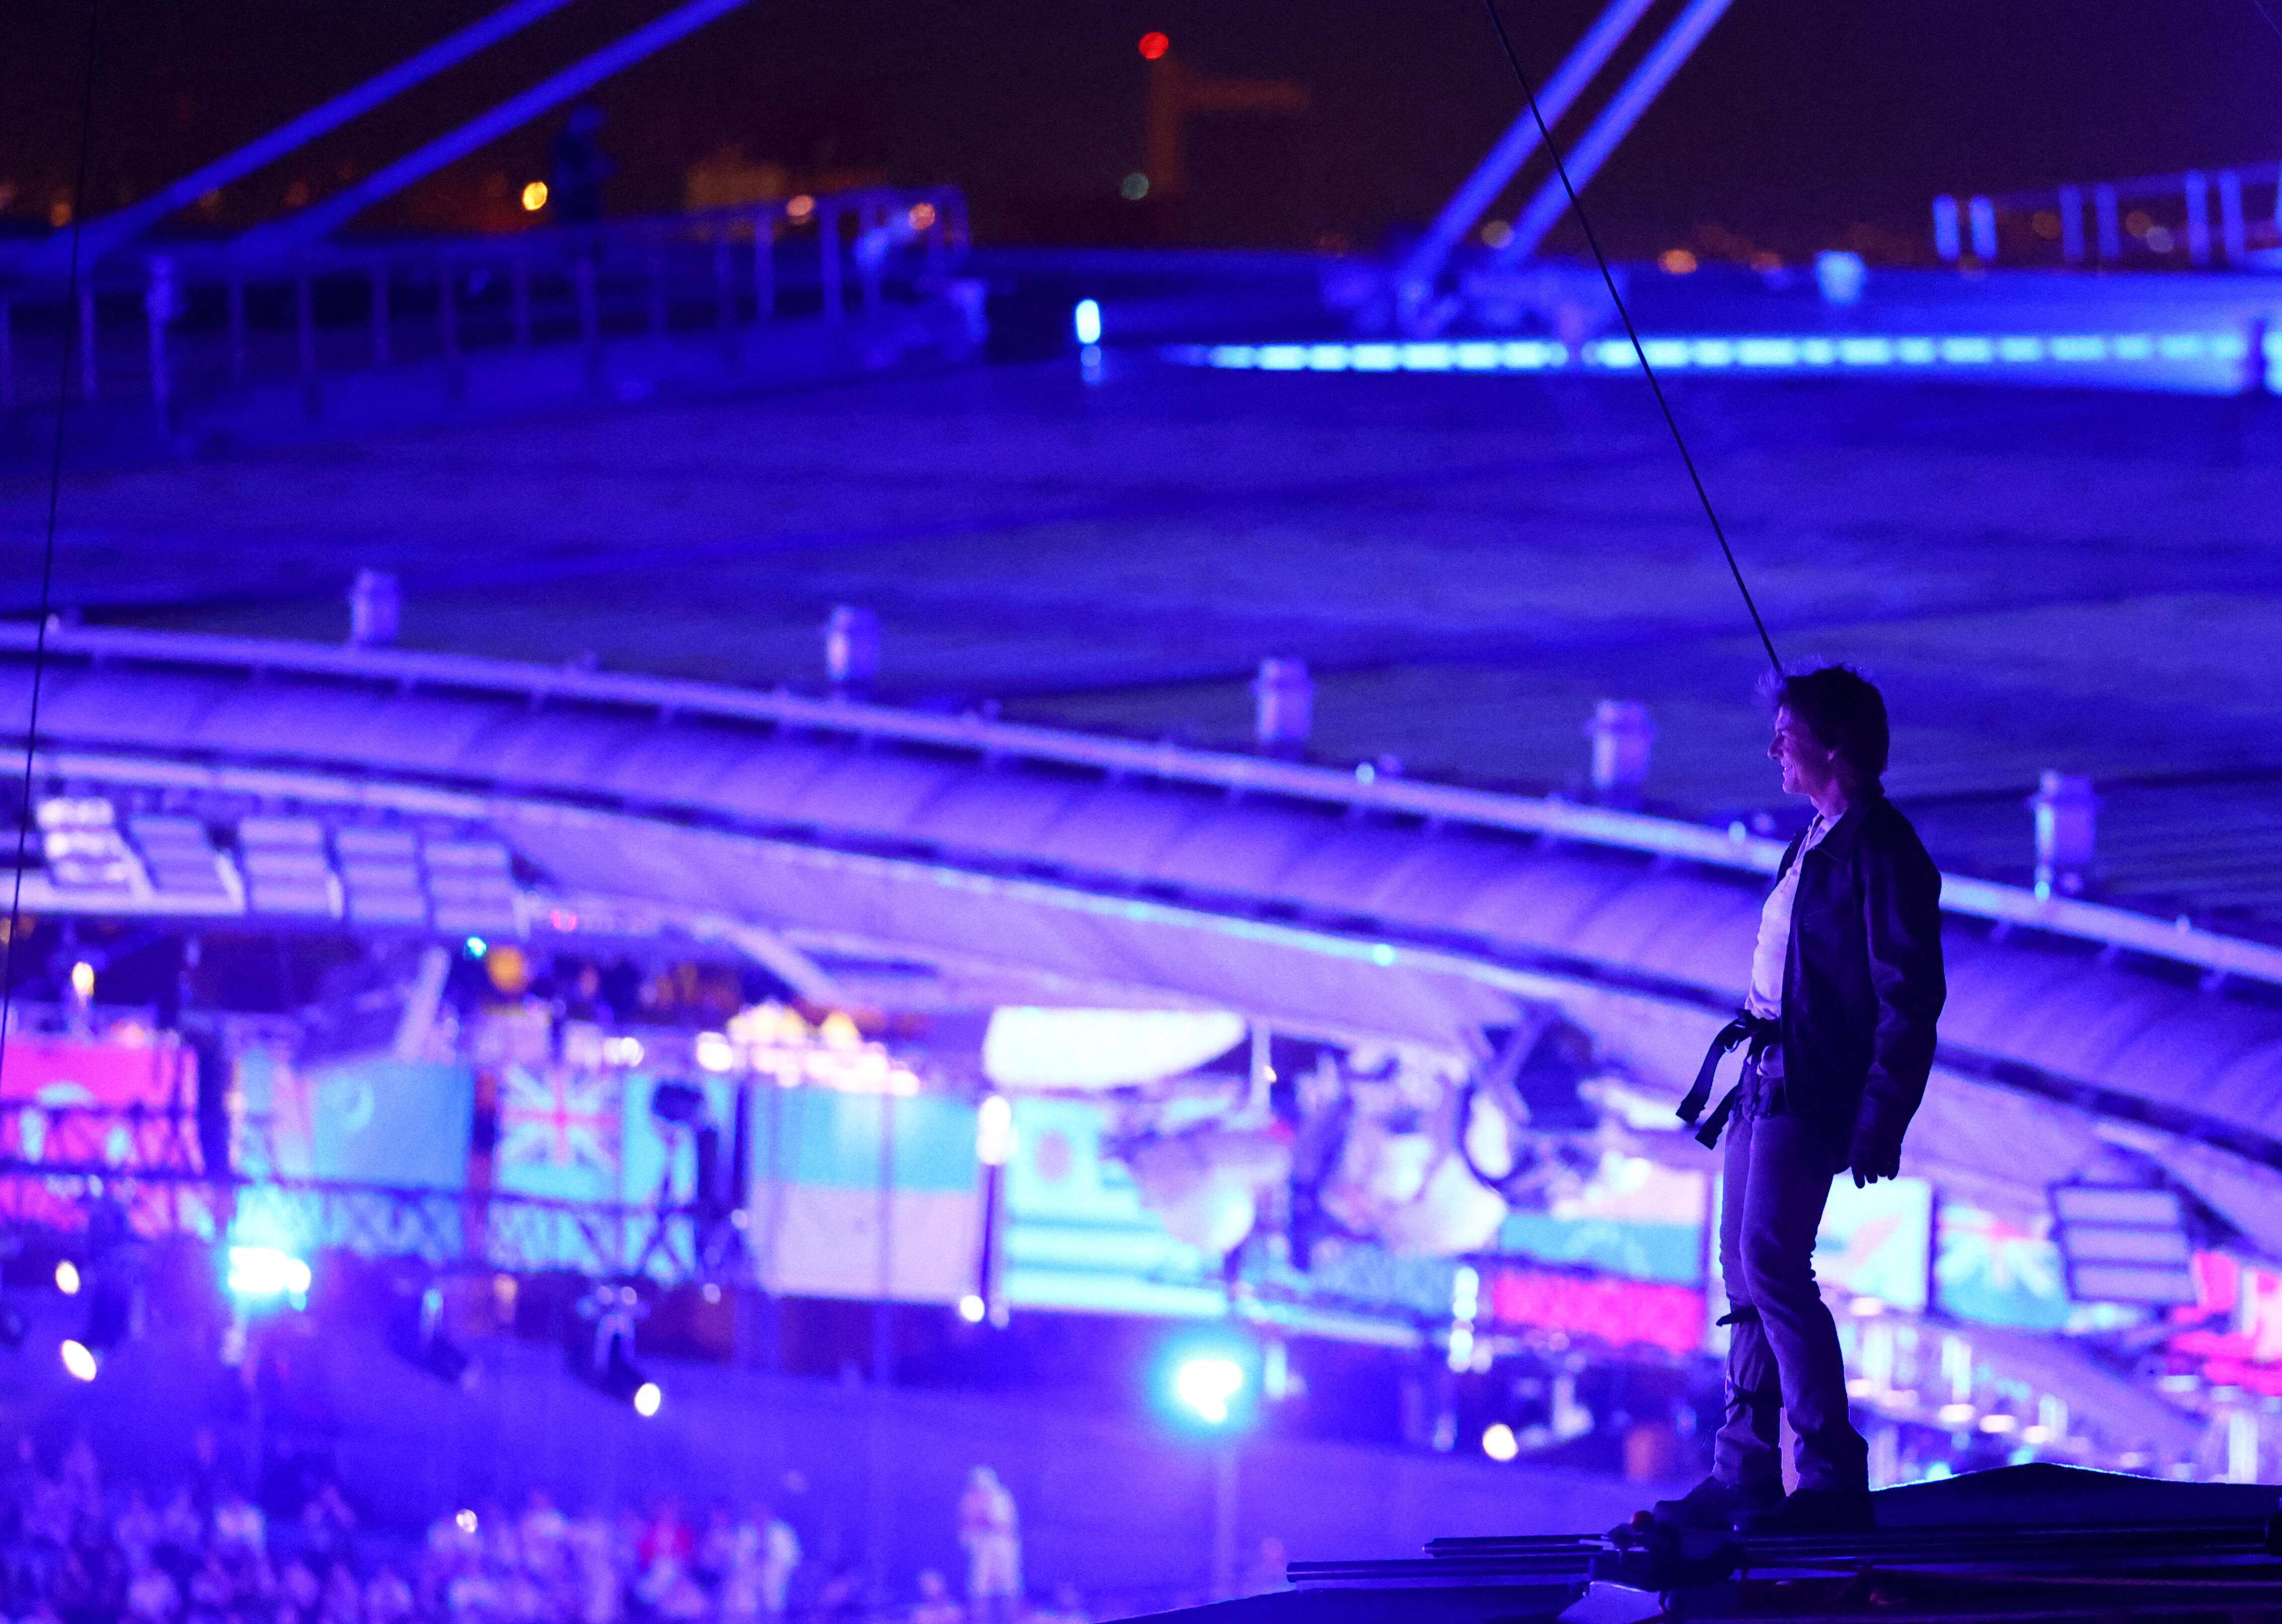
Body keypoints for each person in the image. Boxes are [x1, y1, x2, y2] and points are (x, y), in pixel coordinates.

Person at [1662, 665, 1944, 1535]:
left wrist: (1878, 1115)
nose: (1772, 748)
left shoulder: (1882, 852)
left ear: (1831, 745)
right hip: (1759, 1076)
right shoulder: (1813, 839)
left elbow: (1908, 996)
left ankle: (1827, 1475)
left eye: (1786, 734)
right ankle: (1743, 1468)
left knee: (1776, 1266)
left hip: (1807, 1085)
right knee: (1744, 1271)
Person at [955, 1467, 1021, 1624]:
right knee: (979, 1595)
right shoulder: (968, 1499)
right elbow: (965, 1532)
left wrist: (983, 1516)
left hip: (1003, 1554)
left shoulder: (1002, 1498)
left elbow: (1005, 1527)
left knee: (1009, 1593)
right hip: (980, 1554)